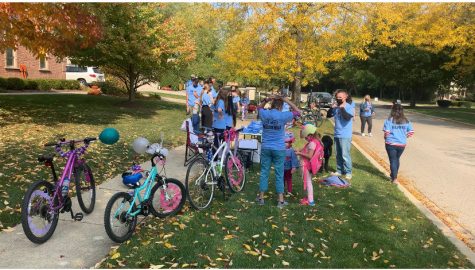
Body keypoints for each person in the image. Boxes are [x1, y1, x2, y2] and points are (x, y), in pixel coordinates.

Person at [256, 95, 301, 209]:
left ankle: (261, 198)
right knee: (279, 174)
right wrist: (287, 100)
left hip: (266, 147)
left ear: (271, 104)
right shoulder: (283, 115)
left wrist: (266, 99)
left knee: (264, 172)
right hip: (279, 148)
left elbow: (259, 108)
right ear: (281, 105)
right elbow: (298, 112)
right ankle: (280, 200)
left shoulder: (265, 113)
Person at [383, 104, 414, 184]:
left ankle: (394, 178)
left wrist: (385, 138)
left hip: (391, 143)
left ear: (393, 110)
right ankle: (393, 175)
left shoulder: (389, 120)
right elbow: (411, 132)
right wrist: (404, 136)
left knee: (393, 160)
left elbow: (386, 132)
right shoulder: (406, 121)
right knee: (396, 159)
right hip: (401, 144)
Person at [327, 89, 354, 180]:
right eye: (337, 97)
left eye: (340, 97)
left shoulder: (349, 107)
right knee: (338, 154)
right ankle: (339, 170)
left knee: (345, 155)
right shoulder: (337, 107)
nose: (338, 99)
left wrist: (342, 108)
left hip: (345, 135)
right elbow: (329, 115)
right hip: (337, 134)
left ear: (345, 97)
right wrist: (332, 108)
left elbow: (347, 118)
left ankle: (348, 172)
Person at [296, 124, 324, 207]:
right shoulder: (315, 141)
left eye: (306, 137)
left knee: (308, 182)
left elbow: (309, 156)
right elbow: (306, 149)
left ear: (310, 135)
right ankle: (308, 198)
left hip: (306, 166)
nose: (305, 139)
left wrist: (299, 153)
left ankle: (310, 201)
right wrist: (299, 150)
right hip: (308, 166)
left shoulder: (312, 143)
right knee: (308, 182)